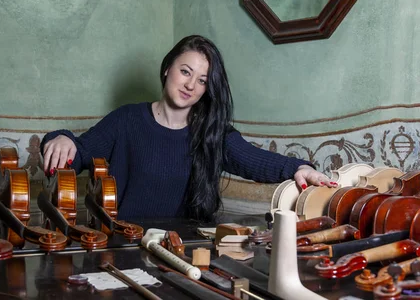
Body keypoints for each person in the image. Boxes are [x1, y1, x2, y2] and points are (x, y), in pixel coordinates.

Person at [41, 35, 335, 221]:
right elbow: (78, 152)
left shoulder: (211, 133)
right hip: (123, 246)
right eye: (185, 71)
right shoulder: (126, 120)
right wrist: (59, 138)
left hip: (187, 252)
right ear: (168, 68)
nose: (191, 85)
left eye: (202, 80)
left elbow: (256, 161)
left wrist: (299, 168)